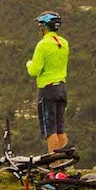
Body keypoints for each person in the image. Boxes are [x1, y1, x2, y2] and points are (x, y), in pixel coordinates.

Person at [27, 11, 69, 152]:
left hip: (47, 89)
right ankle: (64, 164)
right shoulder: (64, 43)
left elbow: (34, 70)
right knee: (60, 128)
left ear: (44, 27)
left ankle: (54, 166)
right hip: (62, 88)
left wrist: (28, 64)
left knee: (50, 130)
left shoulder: (43, 45)